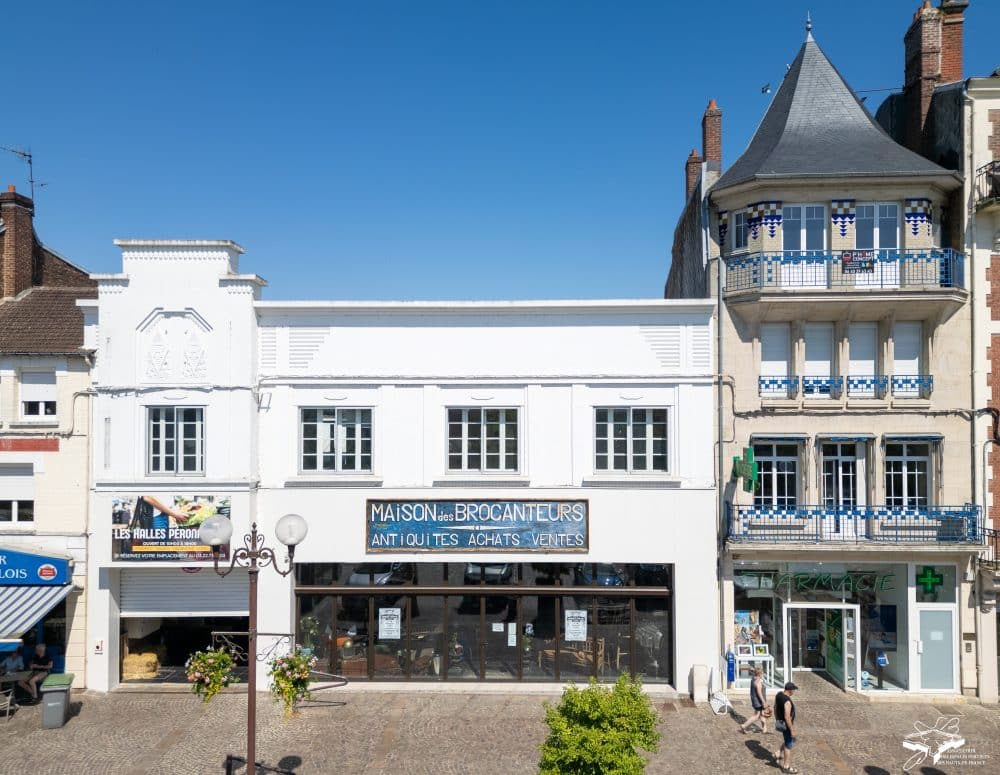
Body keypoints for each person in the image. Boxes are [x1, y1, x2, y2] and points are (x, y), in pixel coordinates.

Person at [773, 681, 799, 774]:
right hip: (786, 726)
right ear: (790, 690)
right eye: (793, 690)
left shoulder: (779, 695)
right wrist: (791, 729)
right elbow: (787, 716)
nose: (794, 692)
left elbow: (775, 707)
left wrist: (777, 718)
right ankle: (786, 766)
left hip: (781, 723)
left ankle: (778, 752)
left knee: (791, 739)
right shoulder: (787, 701)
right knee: (788, 745)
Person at [738, 667, 769, 734]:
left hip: (755, 700)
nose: (763, 674)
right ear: (760, 674)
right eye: (762, 673)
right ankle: (744, 725)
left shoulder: (753, 678)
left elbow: (754, 671)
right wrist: (764, 702)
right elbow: (759, 693)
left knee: (762, 714)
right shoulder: (758, 682)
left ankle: (765, 729)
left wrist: (752, 669)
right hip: (759, 701)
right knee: (756, 715)